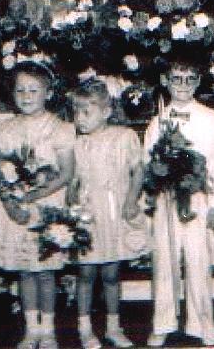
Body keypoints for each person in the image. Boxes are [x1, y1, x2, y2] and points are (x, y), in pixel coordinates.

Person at [0, 56, 76, 349]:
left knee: (46, 270)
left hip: (46, 206)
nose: (26, 97)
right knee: (26, 270)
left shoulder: (59, 128)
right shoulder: (5, 130)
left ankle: (48, 330)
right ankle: (31, 328)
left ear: (48, 93)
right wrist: (11, 202)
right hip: (16, 210)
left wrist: (32, 197)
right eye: (20, 91)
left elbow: (65, 173)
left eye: (33, 90)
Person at [143, 58, 214, 347]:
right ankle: (163, 322)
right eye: (176, 78)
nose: (182, 85)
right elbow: (148, 162)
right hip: (166, 198)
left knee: (198, 261)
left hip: (198, 197)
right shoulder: (158, 120)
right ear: (166, 80)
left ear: (198, 82)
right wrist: (152, 194)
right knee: (164, 262)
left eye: (189, 79)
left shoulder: (210, 118)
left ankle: (202, 323)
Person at [70, 80, 145, 349]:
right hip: (88, 214)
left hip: (114, 211)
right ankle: (84, 328)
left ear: (106, 111)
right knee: (86, 273)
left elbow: (138, 171)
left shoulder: (124, 137)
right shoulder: (78, 143)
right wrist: (71, 208)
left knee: (112, 273)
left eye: (86, 112)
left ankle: (114, 327)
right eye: (76, 112)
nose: (79, 118)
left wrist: (131, 200)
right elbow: (74, 180)